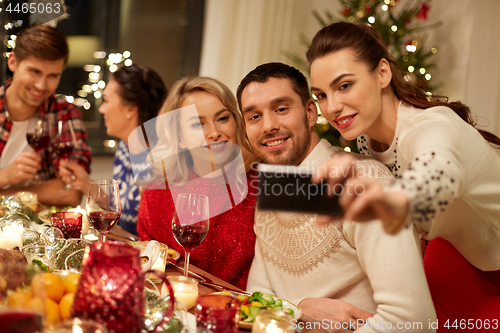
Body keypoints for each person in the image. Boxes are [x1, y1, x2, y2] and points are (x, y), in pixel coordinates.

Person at [307, 22, 500, 330]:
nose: (332, 107)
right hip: (458, 252)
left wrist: (385, 201)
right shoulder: (367, 141)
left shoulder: (431, 128)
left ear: (382, 73)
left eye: (344, 86)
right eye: (321, 95)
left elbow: (438, 177)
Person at [237, 62, 436, 332]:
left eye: (281, 109)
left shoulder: (366, 184)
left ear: (309, 113)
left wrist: (289, 312)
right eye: (254, 117)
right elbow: (256, 300)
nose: (269, 126)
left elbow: (414, 320)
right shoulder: (273, 188)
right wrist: (299, 310)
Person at [137, 77, 257, 290]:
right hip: (174, 303)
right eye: (197, 124)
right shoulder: (158, 191)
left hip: (240, 312)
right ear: (179, 137)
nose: (213, 132)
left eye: (222, 118)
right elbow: (148, 263)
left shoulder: (260, 184)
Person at [60, 64, 167, 235]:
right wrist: (85, 183)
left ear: (131, 108)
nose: (101, 109)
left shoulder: (160, 160)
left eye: (107, 100)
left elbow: (156, 236)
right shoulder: (125, 148)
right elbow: (124, 214)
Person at [0, 24, 90, 207]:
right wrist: (6, 176)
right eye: (34, 71)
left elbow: (71, 192)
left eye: (52, 76)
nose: (41, 85)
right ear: (13, 62)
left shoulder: (64, 113)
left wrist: (5, 196)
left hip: (42, 231)